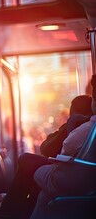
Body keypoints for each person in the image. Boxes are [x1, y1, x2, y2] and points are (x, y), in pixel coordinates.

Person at [0, 94, 93, 219]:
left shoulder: (80, 126)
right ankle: (17, 212)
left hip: (69, 174)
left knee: (26, 160)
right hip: (84, 176)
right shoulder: (90, 128)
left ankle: (8, 211)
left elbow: (48, 148)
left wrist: (67, 127)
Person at [30, 75, 96, 218]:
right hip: (90, 183)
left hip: (74, 181)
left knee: (32, 168)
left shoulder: (86, 128)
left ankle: (10, 210)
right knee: (44, 195)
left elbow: (65, 149)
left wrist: (70, 126)